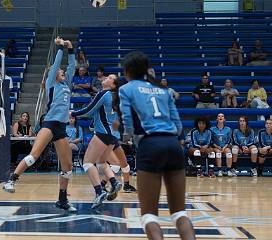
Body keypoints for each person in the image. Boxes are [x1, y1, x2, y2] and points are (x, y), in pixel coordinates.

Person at [119, 52, 195, 240]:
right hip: (173, 144)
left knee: (149, 216)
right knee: (179, 213)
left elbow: (128, 123)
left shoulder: (126, 89)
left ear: (127, 71)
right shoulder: (163, 90)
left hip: (150, 145)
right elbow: (178, 126)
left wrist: (129, 138)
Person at [3, 37, 77, 212]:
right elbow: (56, 64)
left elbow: (72, 67)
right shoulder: (51, 84)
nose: (63, 72)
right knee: (33, 155)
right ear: (53, 74)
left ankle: (62, 200)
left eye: (62, 71)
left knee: (67, 167)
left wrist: (71, 49)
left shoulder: (67, 84)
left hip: (61, 127)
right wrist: (59, 47)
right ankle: (11, 181)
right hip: (50, 123)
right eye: (60, 71)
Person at [71, 74, 123, 209]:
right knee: (100, 162)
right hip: (114, 135)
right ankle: (114, 182)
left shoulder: (104, 94)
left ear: (113, 85)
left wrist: (73, 113)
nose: (106, 77)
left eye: (110, 77)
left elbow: (88, 110)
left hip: (103, 133)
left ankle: (99, 192)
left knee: (87, 163)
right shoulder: (117, 97)